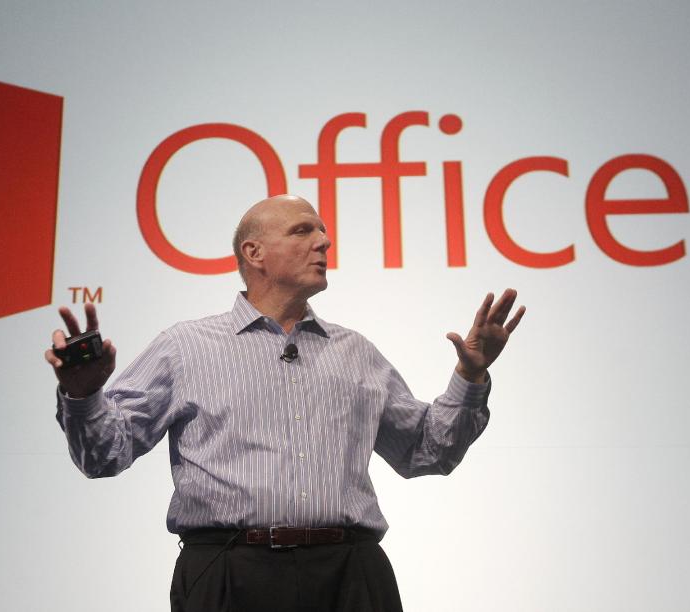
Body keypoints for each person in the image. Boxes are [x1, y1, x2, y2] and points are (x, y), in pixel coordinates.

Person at [45, 194, 525, 612]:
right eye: (303, 231)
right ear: (253, 253)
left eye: (323, 232)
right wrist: (83, 395)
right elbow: (103, 455)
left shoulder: (355, 351)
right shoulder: (184, 347)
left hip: (350, 577)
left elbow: (427, 451)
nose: (323, 242)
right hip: (230, 575)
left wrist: (470, 373)